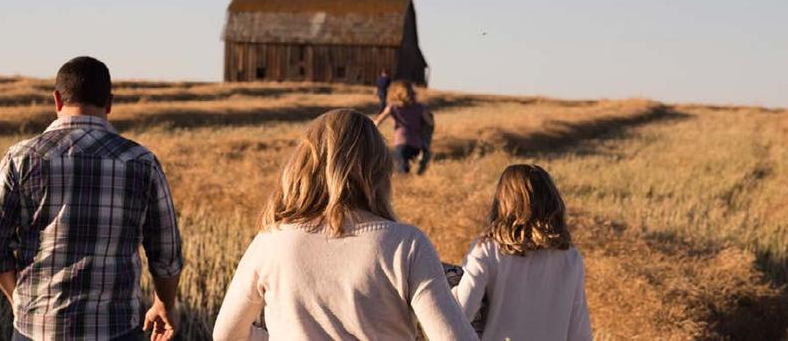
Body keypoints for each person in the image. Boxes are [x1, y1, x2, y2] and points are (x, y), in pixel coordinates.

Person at [212, 109, 477, 341]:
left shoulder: (270, 240)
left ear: (304, 165)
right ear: (379, 170)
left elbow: (225, 334)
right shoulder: (406, 245)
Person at [0, 56, 183, 341]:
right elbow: (166, 253)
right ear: (109, 103)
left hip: (36, 330)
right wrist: (164, 304)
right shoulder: (141, 161)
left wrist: (20, 302)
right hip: (117, 330)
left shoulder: (21, 157)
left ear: (57, 100)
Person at [452, 165, 592, 341]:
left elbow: (460, 315)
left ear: (503, 202)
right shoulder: (570, 257)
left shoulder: (487, 249)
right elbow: (579, 332)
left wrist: (449, 287)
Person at [374, 80, 434, 174]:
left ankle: (406, 185)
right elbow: (430, 122)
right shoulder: (419, 107)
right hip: (416, 144)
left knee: (401, 172)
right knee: (412, 169)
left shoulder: (393, 107)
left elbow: (378, 121)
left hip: (401, 142)